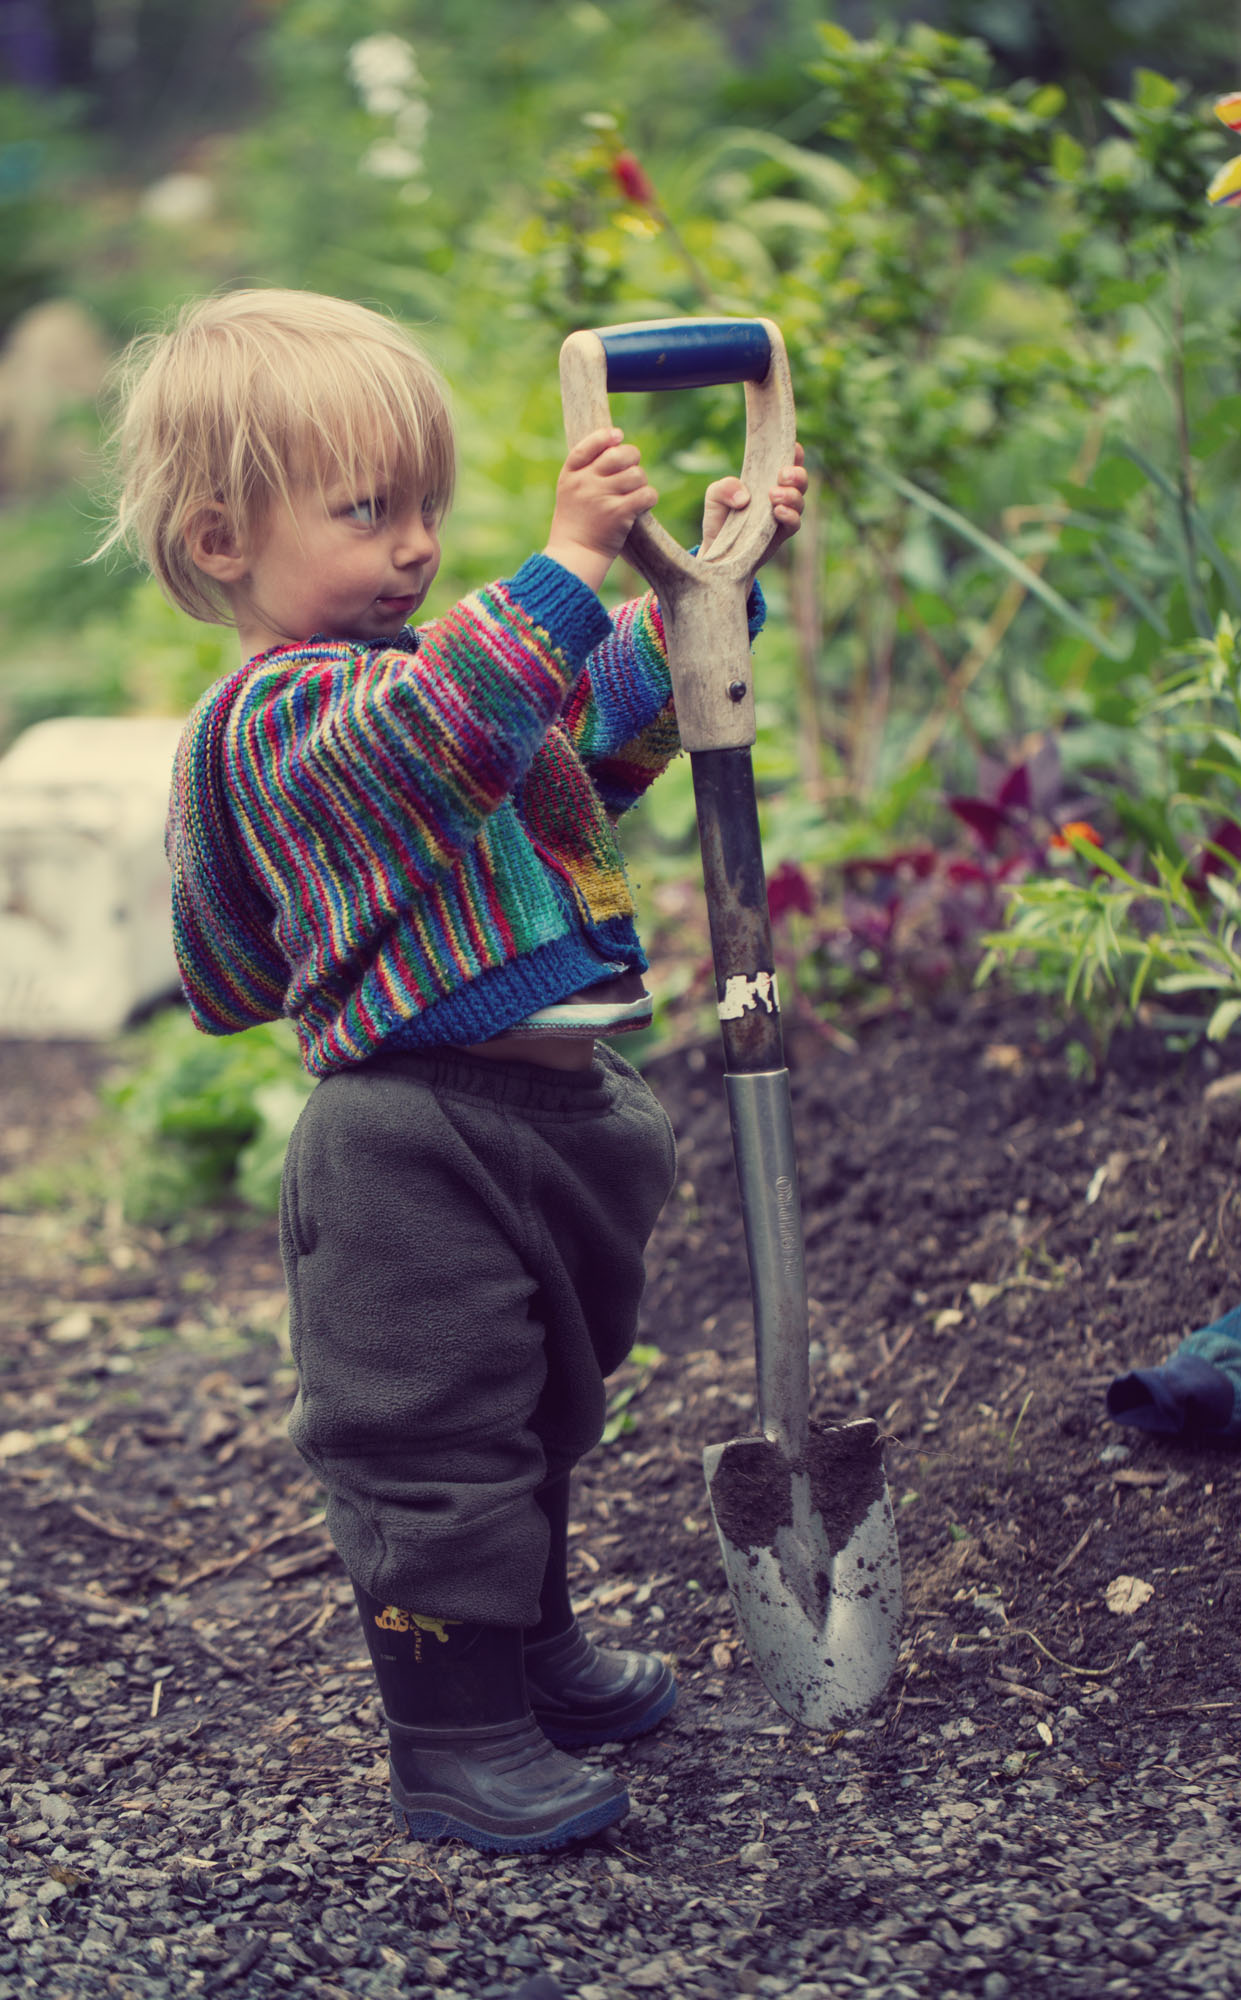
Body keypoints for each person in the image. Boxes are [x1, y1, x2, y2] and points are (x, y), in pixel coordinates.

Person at [100, 288, 806, 1854]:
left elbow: (585, 740)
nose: (416, 541)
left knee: (542, 1412)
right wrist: (557, 565)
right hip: (411, 1145)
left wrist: (706, 580)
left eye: (425, 505)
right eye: (368, 511)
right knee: (434, 1440)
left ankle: (528, 1652)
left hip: (555, 1113)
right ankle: (453, 1735)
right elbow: (439, 736)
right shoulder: (279, 722)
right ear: (224, 541)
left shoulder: (437, 682)